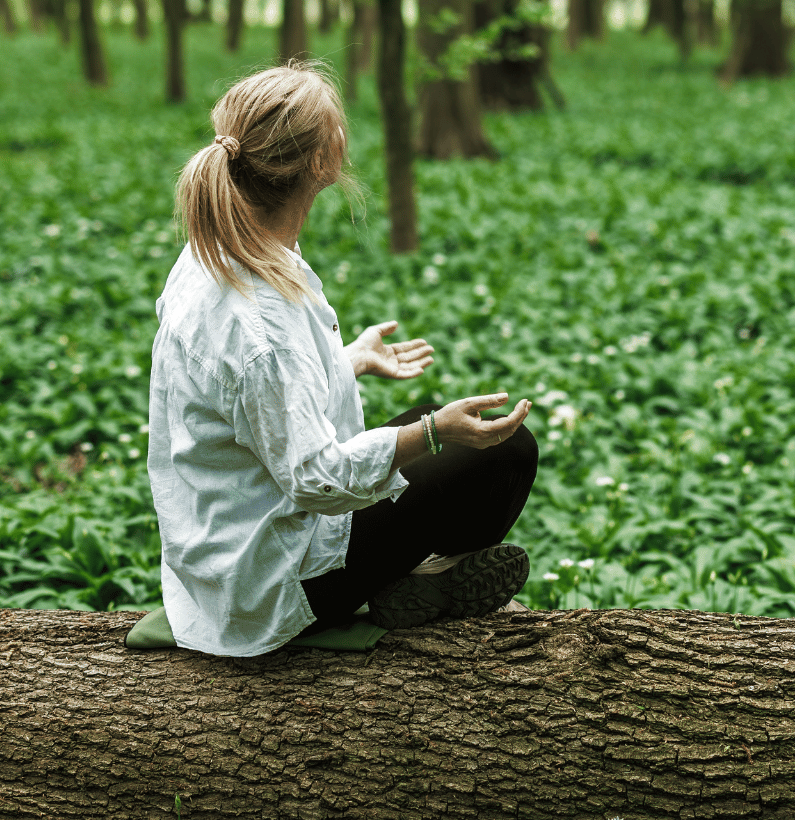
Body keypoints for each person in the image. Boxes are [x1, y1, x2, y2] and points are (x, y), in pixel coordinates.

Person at [146, 62, 537, 658]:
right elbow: (313, 479)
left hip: (223, 552)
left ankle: (422, 573)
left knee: (440, 427)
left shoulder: (215, 248)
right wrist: (430, 432)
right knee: (506, 452)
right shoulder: (260, 324)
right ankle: (424, 579)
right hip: (275, 585)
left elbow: (243, 396)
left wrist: (344, 361)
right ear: (322, 165)